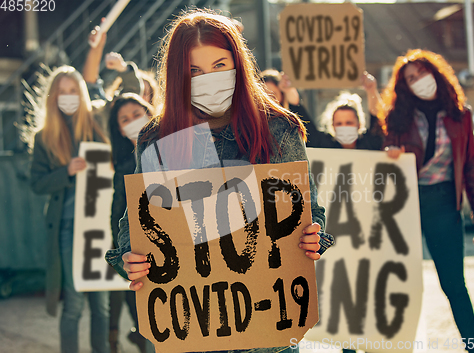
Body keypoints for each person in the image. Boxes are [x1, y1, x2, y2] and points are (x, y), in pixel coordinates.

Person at [105, 9, 335, 353]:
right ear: (178, 75)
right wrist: (131, 258)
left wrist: (312, 236)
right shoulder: (156, 138)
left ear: (238, 65)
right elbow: (137, 223)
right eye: (194, 71)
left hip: (269, 332)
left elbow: (309, 210)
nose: (208, 79)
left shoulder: (278, 129)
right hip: (192, 329)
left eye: (218, 66)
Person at [382, 49, 474, 353]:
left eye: (421, 74)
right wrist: (391, 151)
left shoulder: (460, 115)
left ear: (435, 74)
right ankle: (397, 346)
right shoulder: (399, 116)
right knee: (401, 283)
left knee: (454, 284)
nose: (418, 82)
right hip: (405, 207)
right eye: (410, 79)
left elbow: (470, 165)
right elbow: (384, 154)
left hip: (444, 205)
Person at [30, 65, 110, 353]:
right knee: (74, 303)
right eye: (62, 92)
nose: (68, 97)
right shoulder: (44, 137)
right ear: (53, 97)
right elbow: (37, 183)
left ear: (82, 92)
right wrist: (66, 171)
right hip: (67, 226)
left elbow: (130, 99)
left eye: (73, 90)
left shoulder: (97, 121)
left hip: (100, 223)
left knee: (101, 305)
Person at [107, 93, 155, 353]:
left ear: (149, 112)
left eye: (137, 115)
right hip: (144, 257)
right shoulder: (124, 167)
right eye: (125, 120)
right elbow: (119, 217)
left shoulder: (174, 149)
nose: (133, 122)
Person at [260, 69, 330, 148]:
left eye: (273, 94)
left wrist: (293, 100)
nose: (269, 99)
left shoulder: (288, 124)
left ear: (282, 97)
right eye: (264, 94)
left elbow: (312, 140)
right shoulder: (251, 122)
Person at [318, 72, 384, 151]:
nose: (344, 127)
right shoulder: (323, 146)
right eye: (339, 123)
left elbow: (377, 118)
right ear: (333, 126)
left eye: (349, 123)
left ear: (359, 124)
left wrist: (371, 90)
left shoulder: (370, 143)